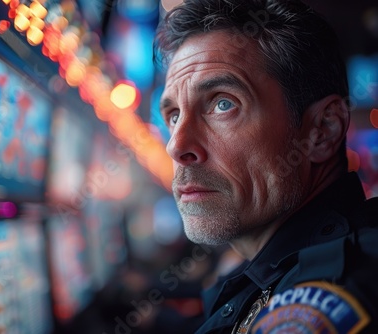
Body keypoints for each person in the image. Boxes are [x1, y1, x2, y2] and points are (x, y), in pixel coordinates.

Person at [154, 0, 378, 332]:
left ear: (322, 130)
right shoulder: (263, 273)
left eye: (222, 103)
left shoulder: (328, 296)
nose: (177, 146)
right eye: (173, 116)